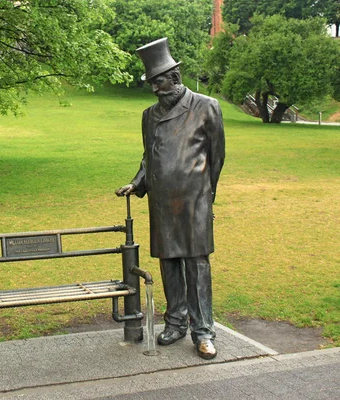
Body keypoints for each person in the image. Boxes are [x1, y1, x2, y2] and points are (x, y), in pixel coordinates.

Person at [116, 38, 225, 360]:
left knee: (197, 264)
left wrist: (208, 198)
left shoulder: (206, 106)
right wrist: (137, 183)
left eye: (158, 81)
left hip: (195, 203)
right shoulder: (149, 116)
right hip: (162, 203)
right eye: (151, 83)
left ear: (175, 78)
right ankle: (175, 321)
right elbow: (149, 157)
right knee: (169, 262)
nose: (154, 89)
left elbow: (216, 158)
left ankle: (203, 331)